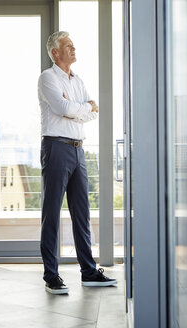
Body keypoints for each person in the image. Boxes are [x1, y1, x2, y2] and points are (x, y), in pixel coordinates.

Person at [38, 31, 117, 294]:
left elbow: (92, 112)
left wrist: (80, 109)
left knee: (82, 214)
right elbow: (64, 109)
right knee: (51, 213)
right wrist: (82, 108)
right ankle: (51, 275)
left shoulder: (78, 80)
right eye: (68, 46)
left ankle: (89, 271)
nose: (73, 49)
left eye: (73, 45)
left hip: (78, 150)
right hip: (56, 148)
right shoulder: (47, 78)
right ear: (55, 53)